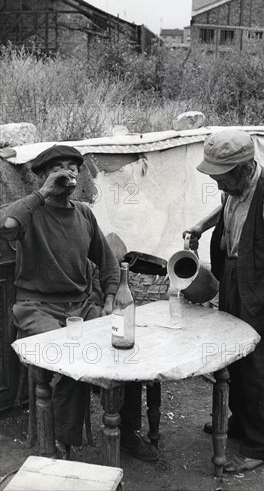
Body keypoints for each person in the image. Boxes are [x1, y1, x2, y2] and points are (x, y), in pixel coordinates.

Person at [0, 145, 158, 462]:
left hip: (82, 307)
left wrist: (111, 299)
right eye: (59, 167)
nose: (69, 172)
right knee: (71, 360)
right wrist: (43, 193)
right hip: (37, 307)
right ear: (43, 176)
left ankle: (126, 431)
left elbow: (109, 263)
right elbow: (6, 226)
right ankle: (61, 443)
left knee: (125, 346)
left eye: (73, 166)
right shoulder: (29, 212)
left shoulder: (84, 214)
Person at [184, 129, 264, 473]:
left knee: (255, 369)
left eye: (221, 178)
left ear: (242, 168)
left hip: (260, 290)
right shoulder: (237, 186)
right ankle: (240, 424)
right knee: (235, 360)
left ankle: (261, 446)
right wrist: (202, 225)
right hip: (233, 280)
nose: (219, 186)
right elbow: (227, 204)